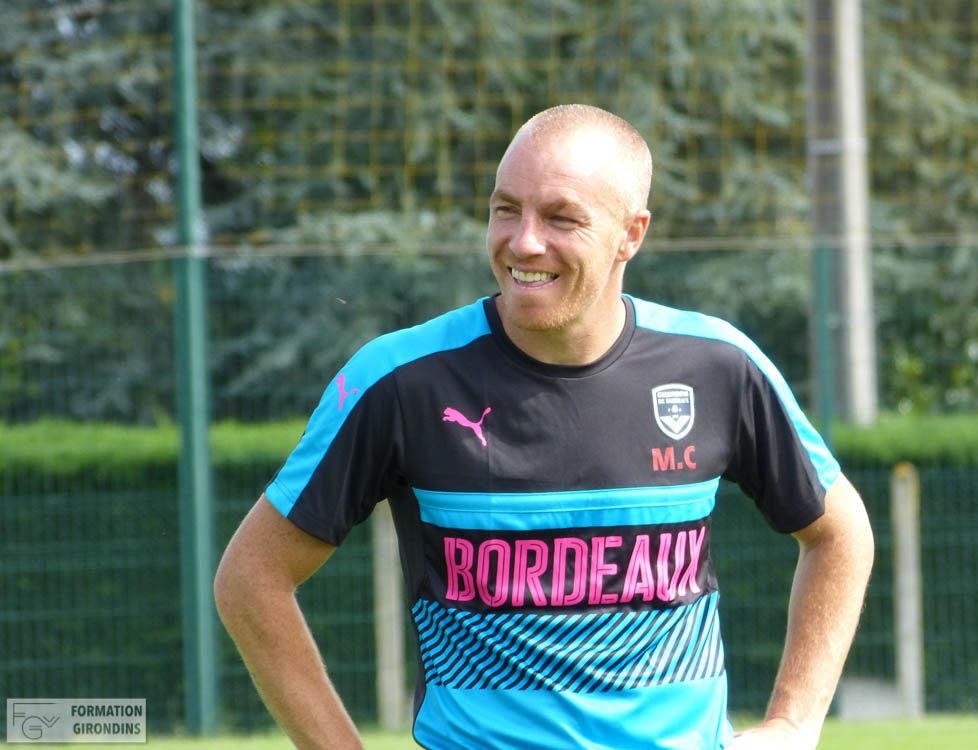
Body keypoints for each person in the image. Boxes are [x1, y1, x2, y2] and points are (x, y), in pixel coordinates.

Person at [214, 104, 874, 750]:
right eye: (506, 209)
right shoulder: (400, 380)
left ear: (631, 234)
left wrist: (794, 725)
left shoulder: (718, 366)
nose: (525, 241)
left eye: (562, 218)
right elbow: (251, 578)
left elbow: (839, 533)